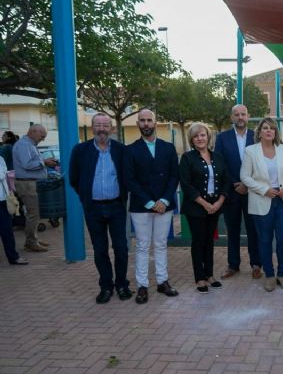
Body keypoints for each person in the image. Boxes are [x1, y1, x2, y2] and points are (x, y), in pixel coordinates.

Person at [69, 113, 130, 303]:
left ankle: (121, 285)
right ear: (92, 127)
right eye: (98, 125)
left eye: (105, 125)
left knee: (121, 248)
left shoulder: (121, 150)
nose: (101, 129)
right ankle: (106, 286)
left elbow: (127, 177)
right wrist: (87, 196)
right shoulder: (80, 150)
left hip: (116, 207)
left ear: (111, 128)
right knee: (100, 249)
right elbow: (74, 179)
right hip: (93, 208)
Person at [124, 109, 180, 304]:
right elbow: (130, 180)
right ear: (138, 124)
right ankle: (142, 286)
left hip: (165, 205)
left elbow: (174, 176)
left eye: (149, 120)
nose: (146, 123)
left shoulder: (168, 148)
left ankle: (163, 281)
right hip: (141, 206)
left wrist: (164, 200)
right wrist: (149, 202)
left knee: (161, 244)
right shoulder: (130, 150)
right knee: (142, 245)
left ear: (156, 123)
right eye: (142, 120)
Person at [240, 117, 283, 292]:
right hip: (261, 200)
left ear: (275, 132)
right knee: (264, 240)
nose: (269, 131)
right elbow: (245, 177)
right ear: (259, 132)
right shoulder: (250, 151)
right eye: (265, 128)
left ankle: (282, 275)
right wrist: (264, 190)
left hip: (282, 200)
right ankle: (270, 276)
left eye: (272, 128)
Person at [179, 123, 231, 293]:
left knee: (209, 241)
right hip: (196, 207)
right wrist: (205, 204)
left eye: (202, 135)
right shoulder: (187, 158)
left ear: (208, 137)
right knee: (199, 242)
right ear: (191, 140)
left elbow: (226, 181)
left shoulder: (218, 157)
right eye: (196, 136)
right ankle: (200, 278)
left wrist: (219, 202)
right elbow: (186, 185)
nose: (200, 139)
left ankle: (209, 275)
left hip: (215, 207)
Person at [214, 104, 261, 280]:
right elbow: (219, 164)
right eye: (236, 114)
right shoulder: (222, 138)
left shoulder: (256, 137)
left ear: (248, 116)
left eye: (243, 114)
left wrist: (248, 184)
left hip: (252, 192)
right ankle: (233, 265)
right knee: (232, 230)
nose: (240, 117)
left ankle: (256, 264)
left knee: (253, 230)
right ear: (232, 117)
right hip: (231, 191)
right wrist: (235, 183)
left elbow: (260, 163)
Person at [12, 124, 57, 252]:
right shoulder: (24, 145)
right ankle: (30, 242)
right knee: (33, 214)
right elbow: (27, 164)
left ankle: (33, 239)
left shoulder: (29, 144)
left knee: (34, 213)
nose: (43, 139)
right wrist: (44, 162)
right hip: (26, 184)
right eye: (42, 136)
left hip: (30, 183)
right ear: (33, 132)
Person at [0, 156, 26, 265]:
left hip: (1, 200)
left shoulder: (0, 158)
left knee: (6, 230)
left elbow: (1, 175)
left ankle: (13, 257)